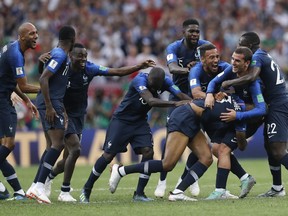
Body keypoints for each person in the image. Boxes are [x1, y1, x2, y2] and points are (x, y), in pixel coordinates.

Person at [40, 43, 156, 202]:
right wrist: (41, 62)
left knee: (68, 157)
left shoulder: (90, 68)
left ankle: (49, 176)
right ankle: (64, 191)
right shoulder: (62, 69)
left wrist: (138, 66)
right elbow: (44, 78)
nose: (83, 59)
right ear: (70, 56)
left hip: (79, 115)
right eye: (79, 56)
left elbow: (115, 71)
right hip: (63, 112)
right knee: (75, 149)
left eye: (85, 56)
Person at [80, 67, 191, 203]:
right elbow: (151, 101)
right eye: (151, 83)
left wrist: (193, 103)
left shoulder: (166, 82)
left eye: (155, 86)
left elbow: (181, 95)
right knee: (108, 155)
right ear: (148, 78)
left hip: (140, 121)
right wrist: (174, 103)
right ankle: (86, 189)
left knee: (148, 152)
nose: (152, 86)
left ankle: (139, 193)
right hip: (122, 120)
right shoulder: (139, 80)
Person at [109, 96, 247, 201]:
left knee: (206, 158)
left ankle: (178, 192)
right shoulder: (234, 107)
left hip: (192, 120)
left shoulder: (231, 101)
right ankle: (121, 171)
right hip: (184, 117)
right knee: (167, 164)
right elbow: (239, 140)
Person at [219, 32, 288, 198]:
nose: (238, 48)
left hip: (278, 105)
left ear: (249, 46)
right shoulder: (263, 55)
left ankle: (278, 188)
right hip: (275, 104)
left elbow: (252, 76)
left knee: (278, 150)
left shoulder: (257, 56)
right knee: (270, 147)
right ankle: (277, 188)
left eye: (241, 44)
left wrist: (228, 83)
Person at [155, 18, 210, 198]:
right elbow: (171, 68)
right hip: (178, 97)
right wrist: (190, 70)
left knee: (198, 136)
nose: (195, 34)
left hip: (198, 98)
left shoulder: (205, 46)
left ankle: (187, 179)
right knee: (172, 137)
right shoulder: (174, 48)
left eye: (197, 31)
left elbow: (213, 66)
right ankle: (161, 181)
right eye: (191, 31)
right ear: (183, 32)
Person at [204, 46, 266, 199]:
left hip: (248, 120)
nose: (233, 62)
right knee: (215, 148)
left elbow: (262, 109)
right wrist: (209, 94)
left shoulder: (253, 83)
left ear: (246, 64)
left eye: (237, 61)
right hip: (235, 114)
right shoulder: (231, 71)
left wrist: (238, 116)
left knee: (224, 149)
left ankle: (220, 191)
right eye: (232, 59)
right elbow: (214, 81)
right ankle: (246, 178)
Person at [27, 25, 76, 204]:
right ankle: (40, 186)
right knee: (58, 144)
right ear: (72, 39)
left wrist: (41, 62)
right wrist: (49, 106)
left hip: (53, 101)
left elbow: (46, 74)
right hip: (50, 102)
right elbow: (43, 79)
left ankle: (34, 185)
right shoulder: (60, 55)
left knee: (50, 146)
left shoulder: (57, 54)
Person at [0, 22, 40, 200]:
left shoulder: (12, 48)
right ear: (22, 36)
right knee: (8, 144)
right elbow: (23, 84)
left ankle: (17, 191)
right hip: (1, 100)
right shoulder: (16, 55)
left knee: (2, 147)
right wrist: (46, 89)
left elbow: (10, 81)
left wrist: (25, 99)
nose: (36, 36)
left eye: (36, 33)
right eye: (32, 34)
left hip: (4, 96)